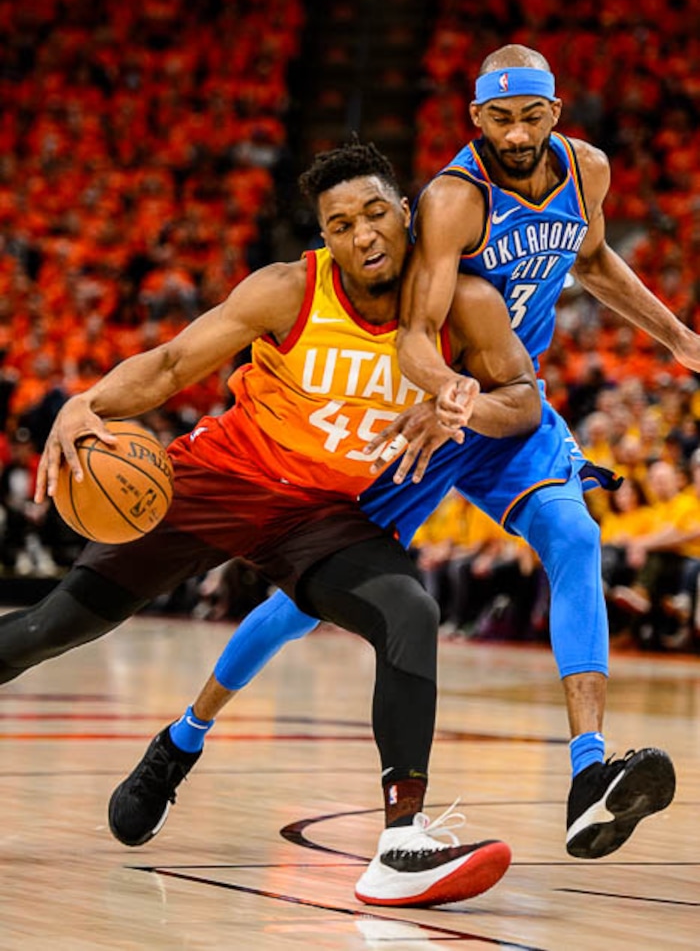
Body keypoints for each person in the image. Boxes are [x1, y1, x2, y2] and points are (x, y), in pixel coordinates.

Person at [112, 45, 685, 865]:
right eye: (499, 117)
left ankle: (589, 776)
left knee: (578, 539)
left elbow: (590, 261)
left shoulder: (586, 170)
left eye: (531, 116)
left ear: (556, 113)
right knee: (310, 596)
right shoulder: (453, 199)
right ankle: (182, 737)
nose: (516, 133)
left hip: (508, 406)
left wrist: (679, 338)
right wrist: (446, 389)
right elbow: (417, 333)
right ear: (474, 119)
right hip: (425, 412)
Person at [0, 140, 547, 908]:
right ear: (323, 238)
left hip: (318, 512)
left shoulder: (465, 304)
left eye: (375, 213)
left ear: (407, 213)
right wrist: (87, 402)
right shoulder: (290, 290)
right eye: (340, 223)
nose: (363, 234)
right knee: (51, 628)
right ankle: (174, 747)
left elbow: (523, 397)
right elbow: (168, 366)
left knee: (410, 610)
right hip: (219, 481)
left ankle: (400, 843)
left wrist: (465, 403)